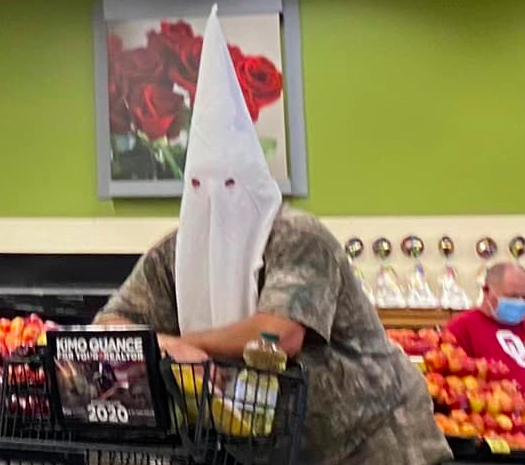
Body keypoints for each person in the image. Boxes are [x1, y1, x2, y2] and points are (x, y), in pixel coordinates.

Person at [94, 8, 451, 465]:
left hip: (373, 436)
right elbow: (110, 326)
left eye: (230, 187)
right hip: (270, 447)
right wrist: (169, 345)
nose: (216, 201)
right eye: (200, 188)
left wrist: (193, 343)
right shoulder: (175, 253)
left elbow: (276, 336)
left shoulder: (297, 235)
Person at [447, 262, 525, 404]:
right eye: (512, 296)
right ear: (486, 291)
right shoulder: (461, 329)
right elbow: (452, 386)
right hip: (495, 422)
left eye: (524, 298)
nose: (519, 302)